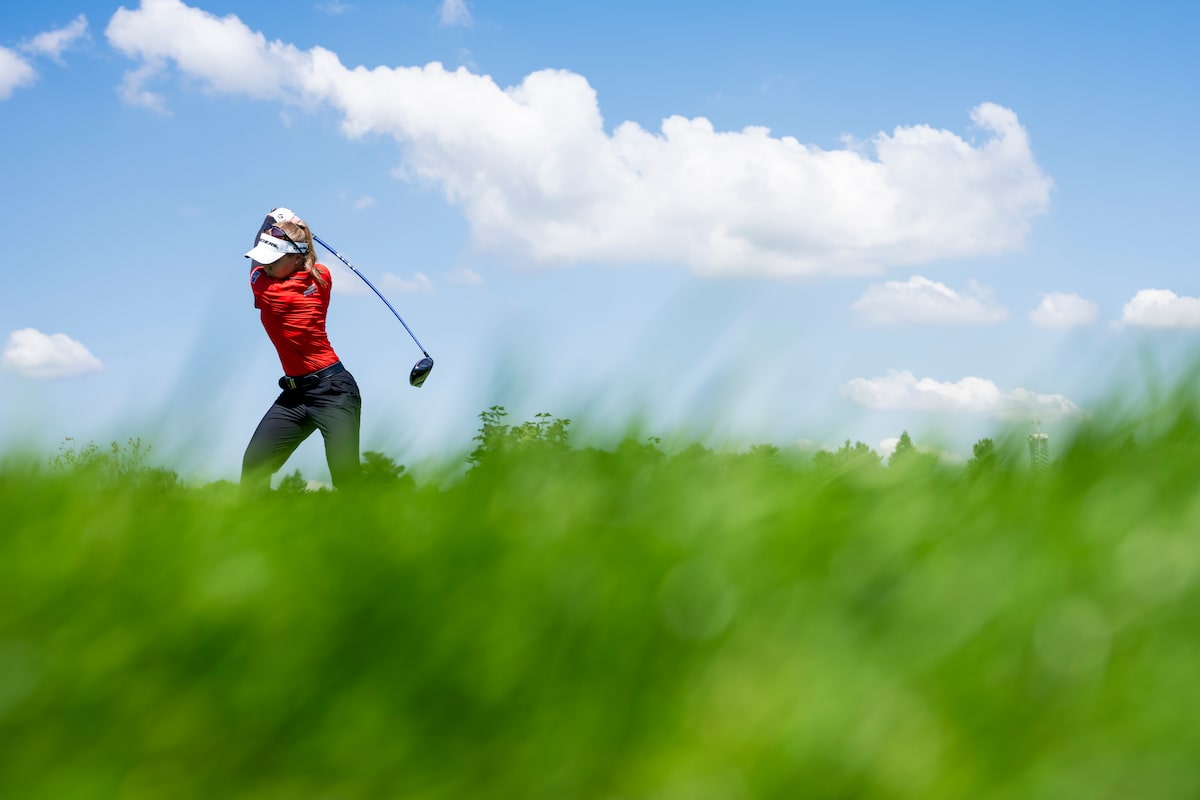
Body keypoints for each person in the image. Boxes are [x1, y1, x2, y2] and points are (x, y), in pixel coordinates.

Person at [241, 208, 362, 490]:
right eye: (265, 259)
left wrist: (270, 218)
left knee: (347, 479)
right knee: (255, 464)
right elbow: (306, 259)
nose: (266, 264)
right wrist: (298, 231)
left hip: (334, 392)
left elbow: (255, 269)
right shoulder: (323, 277)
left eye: (274, 259)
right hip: (295, 395)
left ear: (296, 257)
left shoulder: (271, 292)